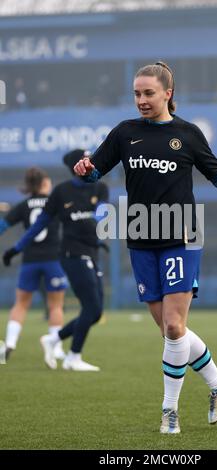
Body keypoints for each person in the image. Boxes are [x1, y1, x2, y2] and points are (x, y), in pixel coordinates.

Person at [73, 61, 217, 433]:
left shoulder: (187, 134)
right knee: (173, 332)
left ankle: (169, 412)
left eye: (149, 93)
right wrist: (85, 168)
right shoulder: (124, 133)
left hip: (183, 234)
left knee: (174, 327)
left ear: (168, 93)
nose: (141, 99)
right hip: (140, 234)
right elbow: (96, 170)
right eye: (137, 93)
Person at [3, 151, 109, 371]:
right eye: (85, 160)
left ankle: (52, 340)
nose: (90, 164)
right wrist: (16, 248)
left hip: (88, 253)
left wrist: (97, 231)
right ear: (75, 166)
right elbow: (39, 224)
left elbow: (102, 213)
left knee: (96, 312)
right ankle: (71, 356)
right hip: (69, 255)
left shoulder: (99, 187)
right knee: (85, 307)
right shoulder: (61, 192)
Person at [0, 167, 66, 362]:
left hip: (29, 261)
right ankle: (56, 349)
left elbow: (3, 226)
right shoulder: (55, 204)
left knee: (20, 304)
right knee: (55, 306)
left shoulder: (23, 206)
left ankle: (10, 343)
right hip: (53, 259)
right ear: (44, 183)